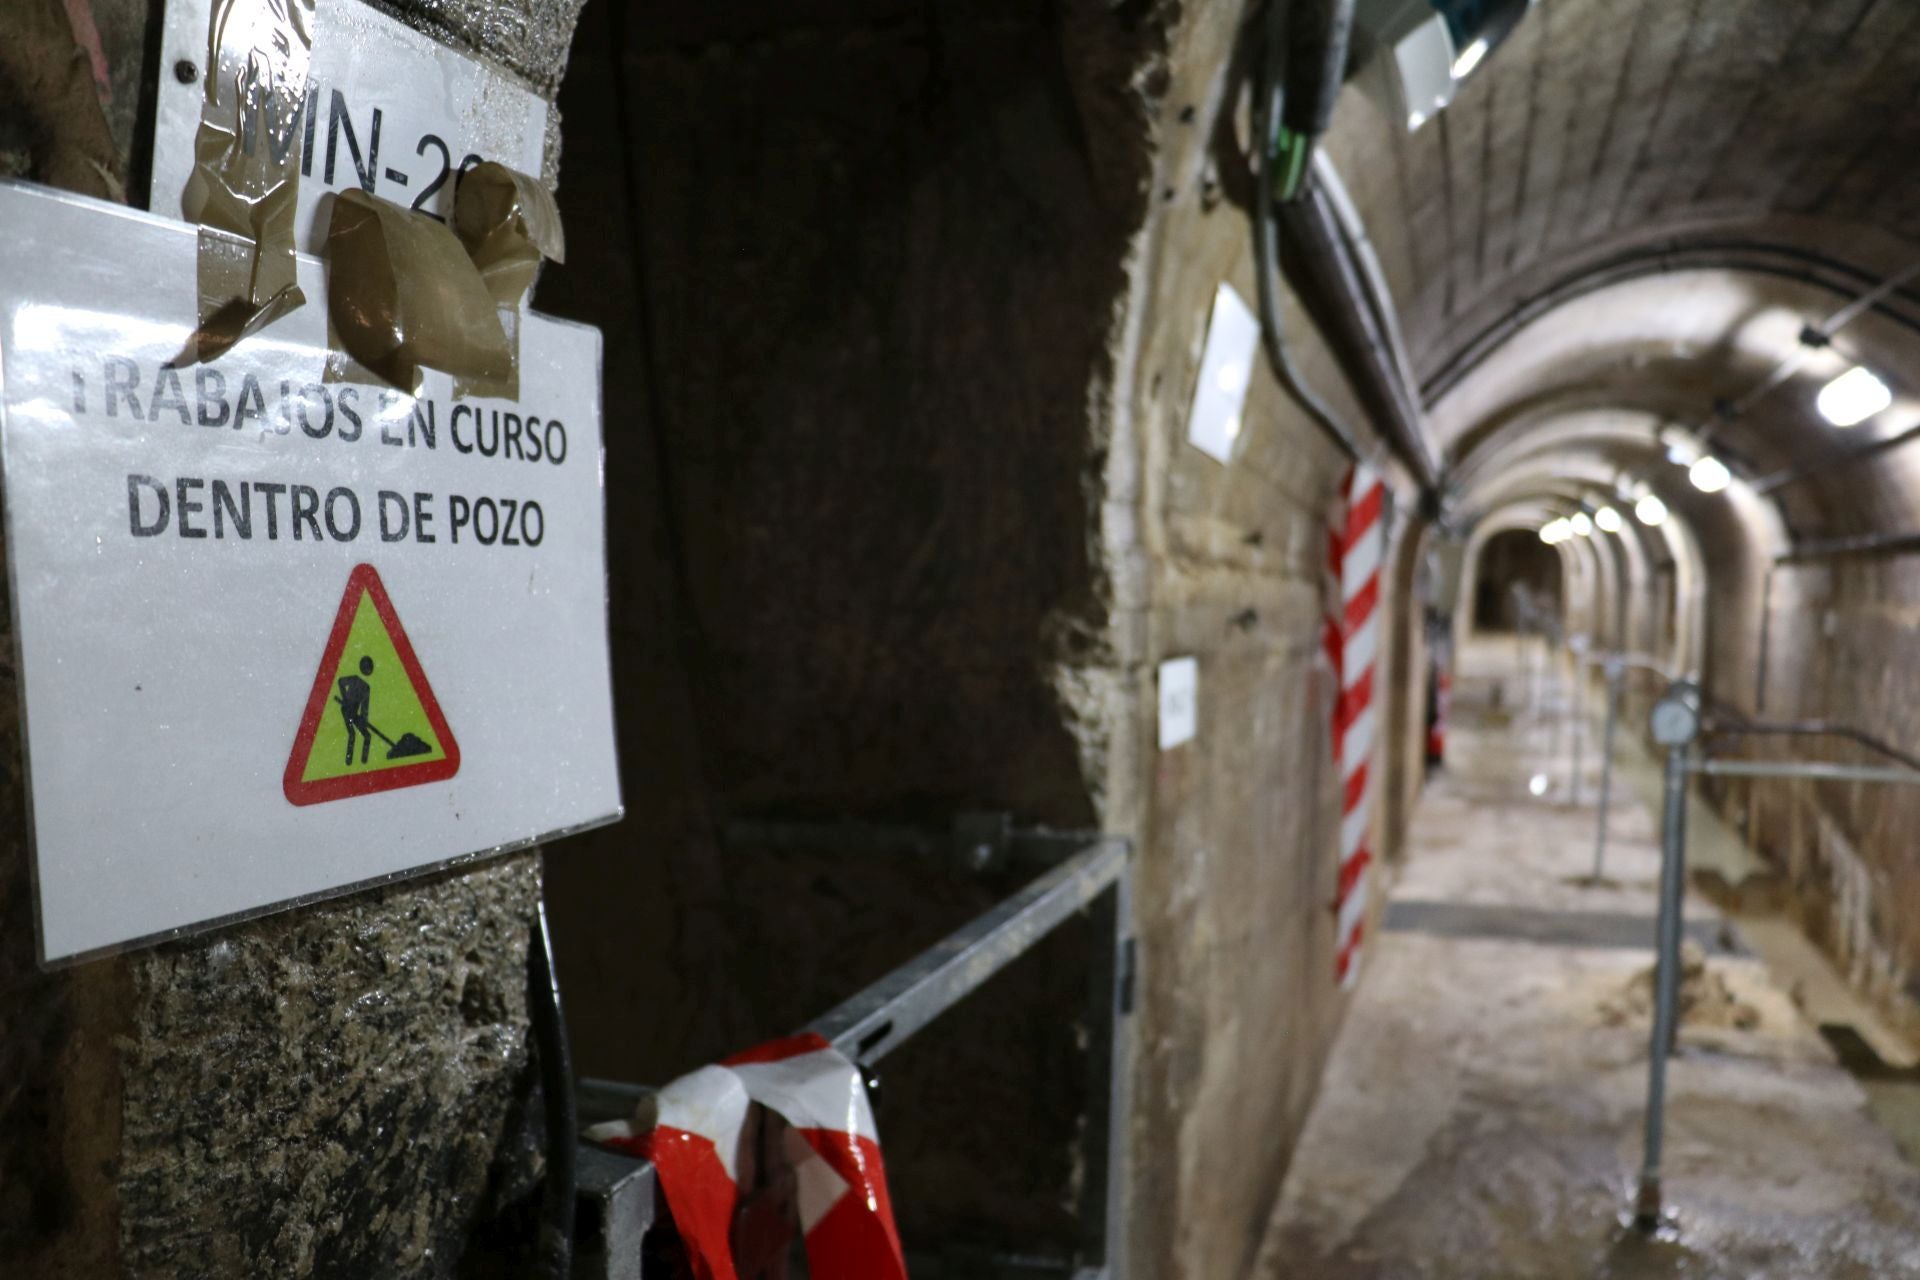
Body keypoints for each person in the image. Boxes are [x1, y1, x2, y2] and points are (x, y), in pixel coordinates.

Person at [337, 656, 374, 766]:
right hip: (346, 710)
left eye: (369, 668)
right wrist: (345, 699)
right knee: (352, 734)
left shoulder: (367, 688)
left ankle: (364, 762)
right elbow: (340, 682)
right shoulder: (355, 679)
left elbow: (365, 707)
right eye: (366, 668)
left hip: (355, 713)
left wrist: (364, 720)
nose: (367, 670)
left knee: (367, 736)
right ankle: (348, 762)